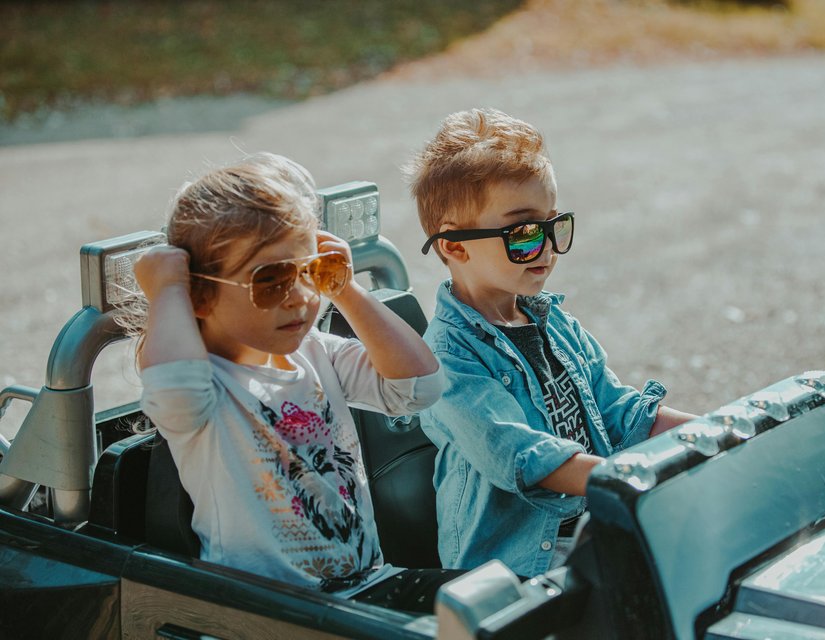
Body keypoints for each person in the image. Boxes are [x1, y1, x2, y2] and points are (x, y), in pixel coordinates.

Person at [130, 152, 460, 613]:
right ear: (200, 296)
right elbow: (175, 384)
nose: (303, 297)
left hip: (368, 588)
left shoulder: (315, 352)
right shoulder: (206, 389)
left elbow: (420, 386)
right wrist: (166, 290)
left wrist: (344, 287)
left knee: (516, 608)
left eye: (311, 271)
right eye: (272, 280)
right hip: (272, 613)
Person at [405, 108, 698, 577]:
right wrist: (624, 480)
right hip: (518, 567)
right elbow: (519, 457)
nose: (544, 248)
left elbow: (621, 413)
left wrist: (718, 432)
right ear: (455, 246)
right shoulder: (446, 358)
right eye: (523, 234)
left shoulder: (555, 323)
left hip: (592, 530)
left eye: (553, 226)